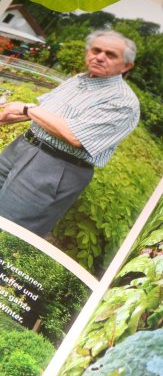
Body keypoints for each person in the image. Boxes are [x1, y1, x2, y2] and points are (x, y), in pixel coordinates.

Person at [0, 30, 140, 237]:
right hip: (22, 147)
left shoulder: (123, 102)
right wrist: (16, 116)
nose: (100, 57)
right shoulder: (78, 80)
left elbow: (75, 136)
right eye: (96, 50)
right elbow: (48, 112)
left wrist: (27, 109)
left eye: (110, 55)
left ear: (126, 66)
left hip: (55, 167)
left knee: (8, 228)